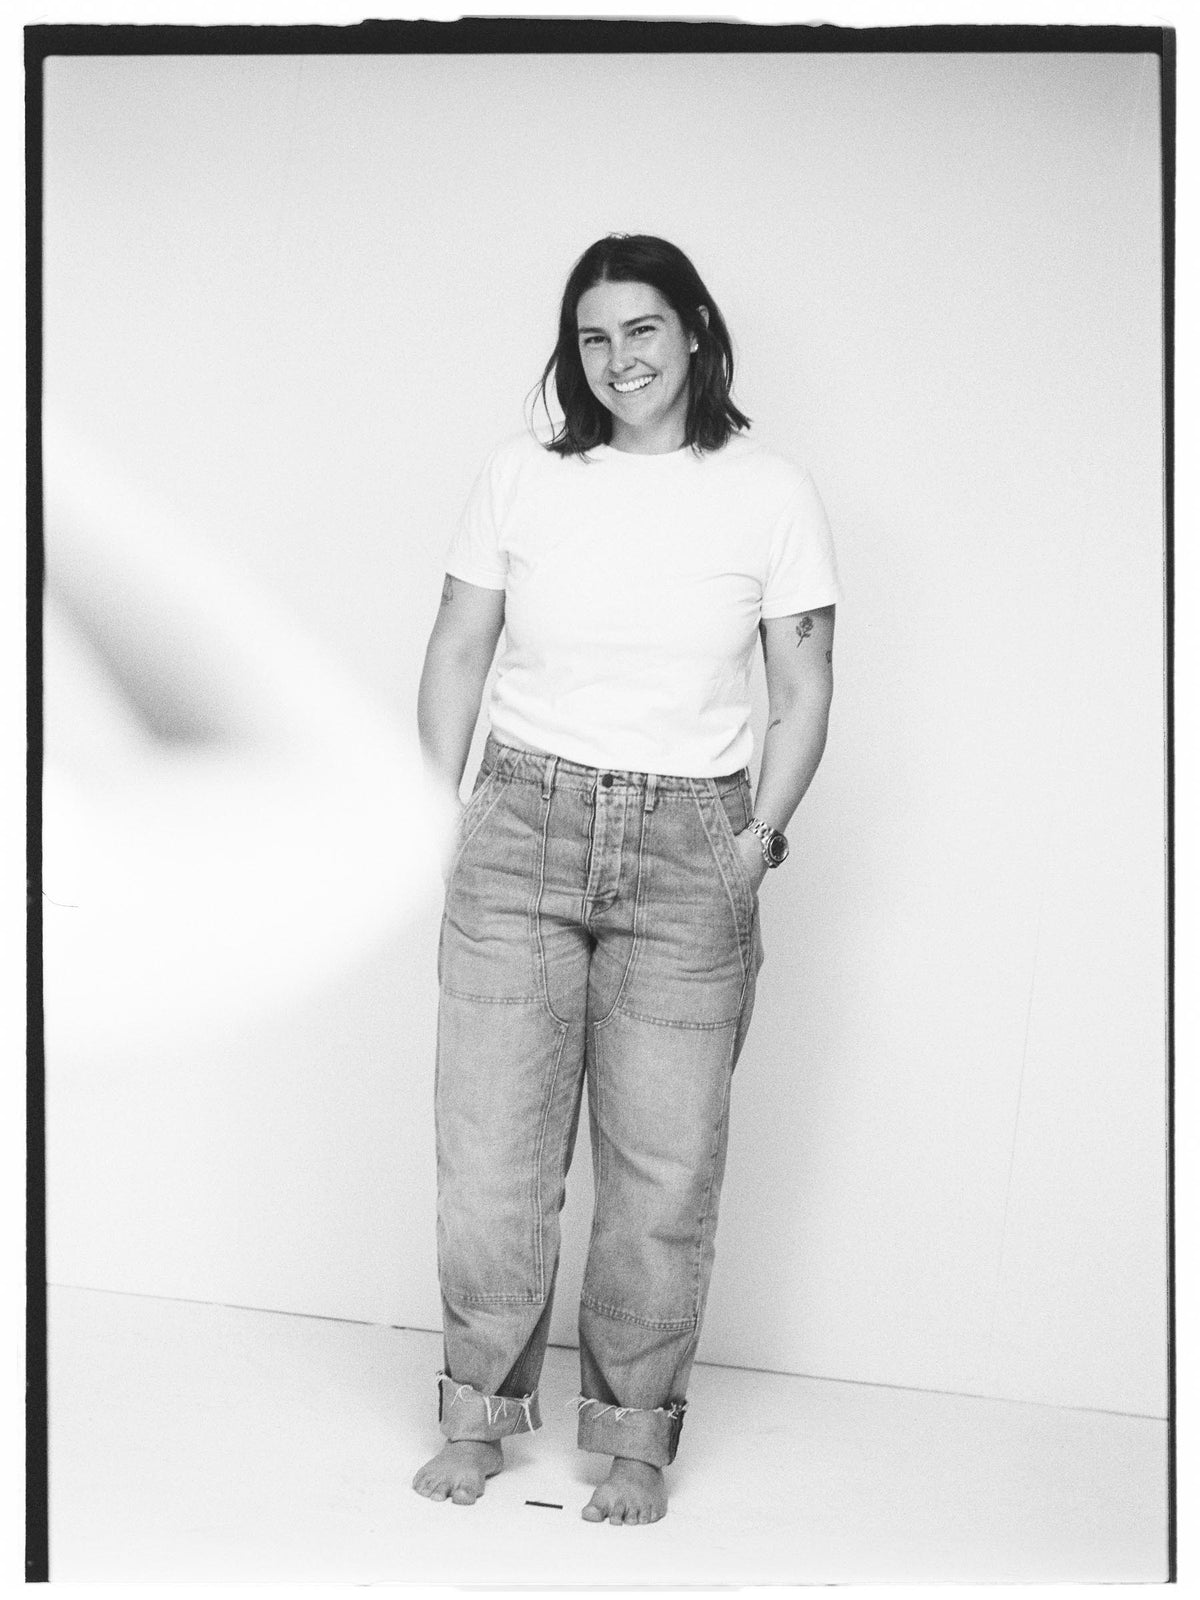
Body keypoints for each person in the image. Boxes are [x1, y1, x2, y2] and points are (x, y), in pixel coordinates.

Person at [414, 234, 840, 1525]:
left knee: (663, 1173)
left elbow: (804, 682)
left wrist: (756, 840)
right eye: (593, 337)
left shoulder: (769, 492)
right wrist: (435, 813)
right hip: (521, 825)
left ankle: (636, 1439)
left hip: (690, 846)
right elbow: (459, 645)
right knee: (492, 1163)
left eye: (643, 329)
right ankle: (478, 1419)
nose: (620, 359)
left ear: (695, 330)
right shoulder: (520, 477)